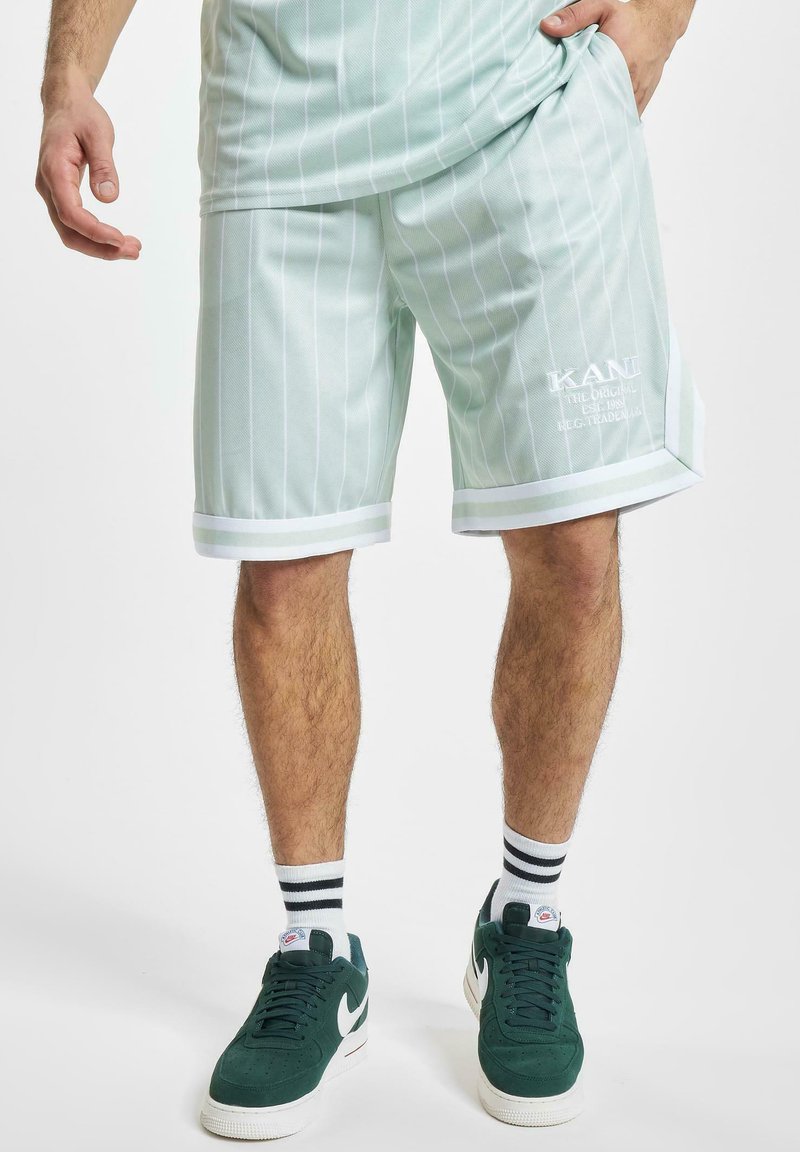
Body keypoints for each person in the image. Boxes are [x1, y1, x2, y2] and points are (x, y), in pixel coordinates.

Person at [36, 0, 703, 1138]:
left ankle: (526, 918)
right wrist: (70, 78)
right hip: (281, 120)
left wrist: (665, 13)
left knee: (574, 548)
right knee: (282, 565)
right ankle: (317, 948)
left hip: (521, 99)